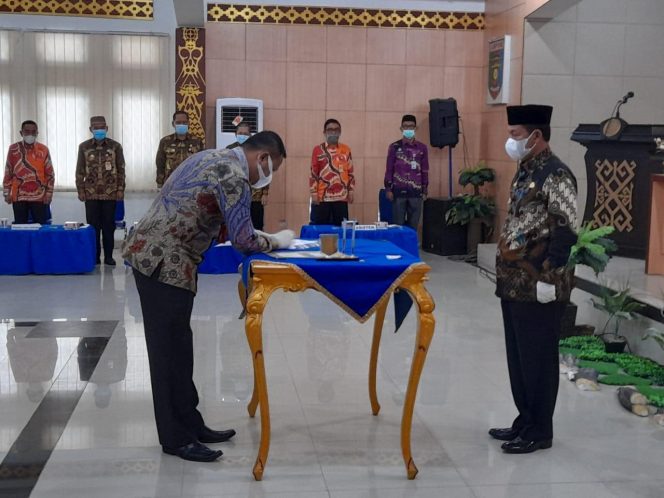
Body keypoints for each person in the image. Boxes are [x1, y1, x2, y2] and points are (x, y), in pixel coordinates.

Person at [123, 131, 294, 463]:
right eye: (272, 169)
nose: (267, 177)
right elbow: (244, 240)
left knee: (179, 347)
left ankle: (192, 424)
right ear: (262, 158)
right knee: (168, 352)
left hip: (161, 257)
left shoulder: (211, 156)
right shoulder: (235, 176)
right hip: (164, 262)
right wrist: (278, 241)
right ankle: (176, 438)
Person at [491, 104, 577, 454]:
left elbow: (566, 231)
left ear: (535, 136)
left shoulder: (556, 174)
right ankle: (524, 420)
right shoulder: (526, 170)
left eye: (515, 135)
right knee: (519, 357)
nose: (510, 141)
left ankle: (540, 431)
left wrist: (548, 277)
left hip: (539, 285)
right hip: (514, 283)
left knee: (538, 359)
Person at [76, 116, 125, 266]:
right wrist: (80, 189)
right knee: (93, 227)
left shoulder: (115, 146)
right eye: (96, 128)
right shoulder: (84, 147)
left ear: (107, 128)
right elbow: (80, 170)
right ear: (90, 129)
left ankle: (109, 256)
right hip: (90, 193)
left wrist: (120, 189)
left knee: (109, 227)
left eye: (102, 127)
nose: (99, 130)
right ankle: (95, 257)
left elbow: (121, 169)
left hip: (110, 193)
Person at [3, 120, 54, 224]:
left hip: (39, 197)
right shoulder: (13, 149)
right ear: (21, 133)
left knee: (40, 228)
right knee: (20, 227)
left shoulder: (43, 149)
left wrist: (49, 194)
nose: (30, 134)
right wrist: (6, 193)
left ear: (37, 133)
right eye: (27, 131)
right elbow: (8, 171)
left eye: (33, 131)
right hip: (18, 196)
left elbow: (50, 174)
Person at [384, 114, 429, 230]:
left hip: (416, 193)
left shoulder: (422, 148)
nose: (408, 129)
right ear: (401, 128)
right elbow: (389, 169)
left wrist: (424, 190)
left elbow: (425, 170)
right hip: (398, 193)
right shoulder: (394, 147)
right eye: (405, 127)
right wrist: (388, 189)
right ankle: (399, 247)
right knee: (398, 227)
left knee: (413, 227)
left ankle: (411, 248)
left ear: (416, 128)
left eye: (411, 127)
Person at [309, 118, 354, 226]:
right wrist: (313, 193)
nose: (333, 132)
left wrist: (351, 190)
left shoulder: (346, 149)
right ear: (324, 132)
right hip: (322, 198)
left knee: (341, 230)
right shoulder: (318, 150)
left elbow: (350, 171)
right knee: (321, 230)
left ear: (340, 132)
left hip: (341, 198)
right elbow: (313, 173)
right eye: (330, 130)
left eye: (336, 130)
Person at [227, 121, 268, 230]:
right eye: (240, 133)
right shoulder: (230, 150)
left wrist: (265, 193)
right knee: (238, 226)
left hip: (255, 195)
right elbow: (225, 172)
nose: (242, 136)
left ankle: (258, 246)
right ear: (236, 134)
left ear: (250, 135)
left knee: (257, 226)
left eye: (245, 134)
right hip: (236, 195)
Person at [156, 111, 203, 188]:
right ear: (173, 124)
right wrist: (160, 182)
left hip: (191, 182)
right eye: (178, 122)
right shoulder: (165, 141)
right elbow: (160, 163)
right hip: (170, 183)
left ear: (188, 123)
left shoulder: (197, 141)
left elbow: (202, 162)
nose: (181, 125)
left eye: (184, 122)